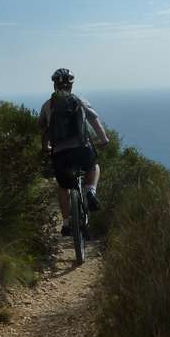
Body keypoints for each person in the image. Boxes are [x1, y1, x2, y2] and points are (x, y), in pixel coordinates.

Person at [39, 67, 110, 236]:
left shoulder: (48, 105)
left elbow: (43, 128)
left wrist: (45, 148)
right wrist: (104, 139)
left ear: (54, 85)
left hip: (59, 153)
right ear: (71, 84)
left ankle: (65, 223)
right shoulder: (80, 100)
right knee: (93, 167)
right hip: (81, 148)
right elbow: (94, 120)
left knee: (63, 186)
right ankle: (91, 191)